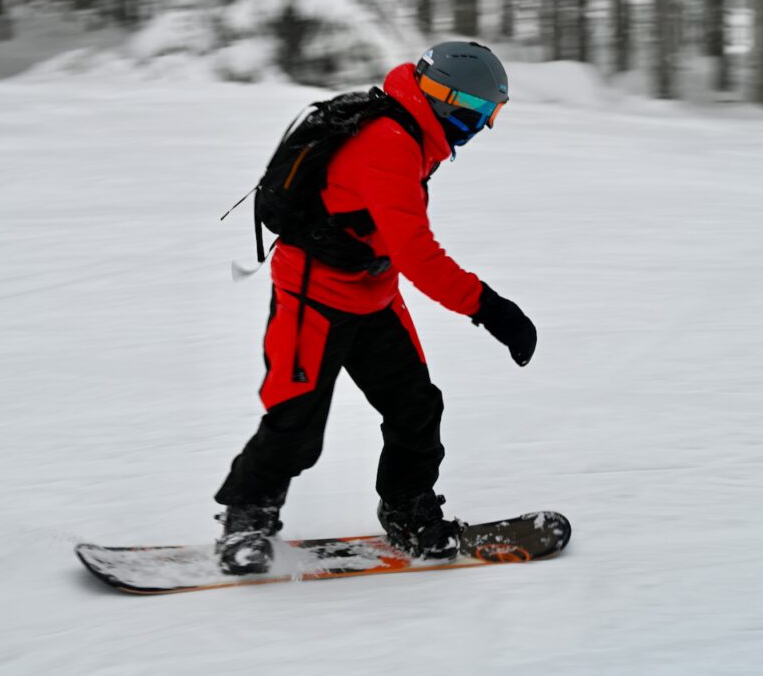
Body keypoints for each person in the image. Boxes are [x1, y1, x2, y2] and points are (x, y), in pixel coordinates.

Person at [214, 41, 537, 574]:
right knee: (295, 419)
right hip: (313, 292)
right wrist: (493, 309)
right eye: (481, 114)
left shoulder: (414, 135)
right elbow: (419, 255)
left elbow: (392, 242)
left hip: (374, 293)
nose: (482, 128)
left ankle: (407, 509)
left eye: (492, 116)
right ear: (448, 102)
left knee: (416, 408)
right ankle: (247, 515)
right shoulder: (388, 143)